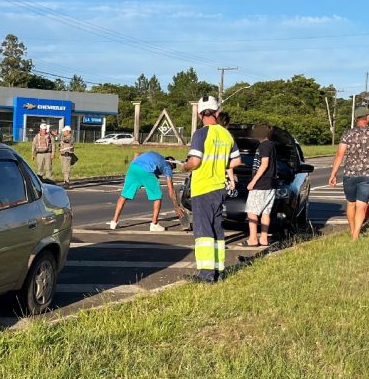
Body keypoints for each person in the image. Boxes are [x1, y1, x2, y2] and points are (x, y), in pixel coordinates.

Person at [179, 95, 241, 282]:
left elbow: (195, 161)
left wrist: (185, 166)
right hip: (218, 188)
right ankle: (219, 271)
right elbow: (237, 161)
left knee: (203, 232)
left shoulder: (200, 134)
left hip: (202, 188)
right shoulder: (225, 134)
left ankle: (206, 275)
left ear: (199, 115)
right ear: (217, 112)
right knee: (216, 230)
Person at [328, 105, 369, 241]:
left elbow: (340, 154)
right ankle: (356, 235)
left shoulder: (348, 134)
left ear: (356, 119)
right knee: (361, 205)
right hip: (368, 175)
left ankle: (352, 231)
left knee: (351, 203)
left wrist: (333, 174)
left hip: (350, 174)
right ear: (368, 117)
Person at [109, 150, 186, 232]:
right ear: (171, 165)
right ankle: (154, 224)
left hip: (133, 167)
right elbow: (171, 190)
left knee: (124, 195)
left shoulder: (155, 155)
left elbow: (136, 154)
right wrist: (176, 206)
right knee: (157, 197)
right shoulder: (167, 167)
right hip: (147, 171)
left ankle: (114, 222)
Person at [244, 122, 277, 246]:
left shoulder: (263, 146)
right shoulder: (272, 145)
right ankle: (263, 238)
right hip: (271, 183)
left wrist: (253, 182)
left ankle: (253, 239)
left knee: (252, 211)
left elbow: (264, 164)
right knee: (265, 212)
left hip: (261, 183)